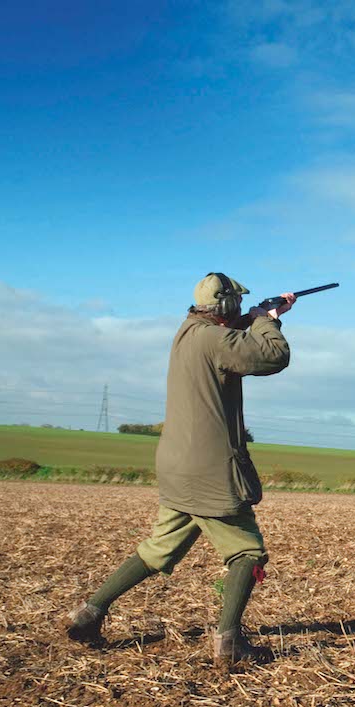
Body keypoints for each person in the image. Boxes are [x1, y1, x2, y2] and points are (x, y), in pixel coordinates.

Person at [66, 272, 295, 665]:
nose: (240, 308)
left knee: (159, 549)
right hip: (208, 469)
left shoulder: (189, 332)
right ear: (224, 306)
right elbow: (273, 356)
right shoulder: (214, 338)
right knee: (247, 553)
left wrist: (257, 317)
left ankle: (88, 614)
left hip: (178, 465)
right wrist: (266, 319)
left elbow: (228, 340)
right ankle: (229, 644)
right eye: (236, 304)